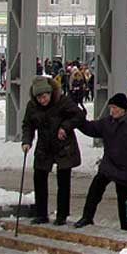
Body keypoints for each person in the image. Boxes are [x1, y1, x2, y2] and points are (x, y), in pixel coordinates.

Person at [73, 93, 127, 232]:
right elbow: (90, 128)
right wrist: (79, 120)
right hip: (108, 166)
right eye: (111, 108)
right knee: (94, 191)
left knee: (124, 204)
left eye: (114, 108)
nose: (112, 111)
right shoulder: (107, 123)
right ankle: (87, 217)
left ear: (123, 109)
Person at [20, 76, 83, 225]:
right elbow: (27, 125)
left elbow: (79, 115)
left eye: (44, 96)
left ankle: (62, 215)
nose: (42, 100)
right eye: (39, 98)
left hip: (63, 145)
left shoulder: (63, 101)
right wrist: (26, 141)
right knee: (39, 177)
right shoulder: (32, 106)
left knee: (63, 180)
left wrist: (65, 127)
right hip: (44, 146)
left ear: (49, 93)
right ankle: (41, 214)